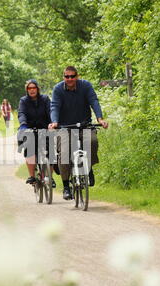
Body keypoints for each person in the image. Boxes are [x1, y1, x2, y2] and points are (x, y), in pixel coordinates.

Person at [49, 66, 108, 200]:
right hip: (65, 127)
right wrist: (54, 122)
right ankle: (65, 186)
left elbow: (94, 102)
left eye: (72, 76)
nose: (69, 79)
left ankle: (89, 168)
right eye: (67, 76)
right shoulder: (58, 89)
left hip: (84, 124)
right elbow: (54, 107)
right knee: (64, 153)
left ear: (77, 76)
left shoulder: (85, 86)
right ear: (63, 77)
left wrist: (100, 119)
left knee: (92, 142)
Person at [17, 79, 56, 187]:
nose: (32, 90)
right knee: (30, 148)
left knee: (52, 150)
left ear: (37, 89)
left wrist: (52, 123)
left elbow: (51, 111)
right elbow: (21, 113)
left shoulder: (45, 99)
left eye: (34, 88)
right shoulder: (23, 101)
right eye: (29, 88)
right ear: (27, 90)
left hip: (45, 127)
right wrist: (23, 125)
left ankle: (50, 177)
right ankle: (32, 176)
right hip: (29, 128)